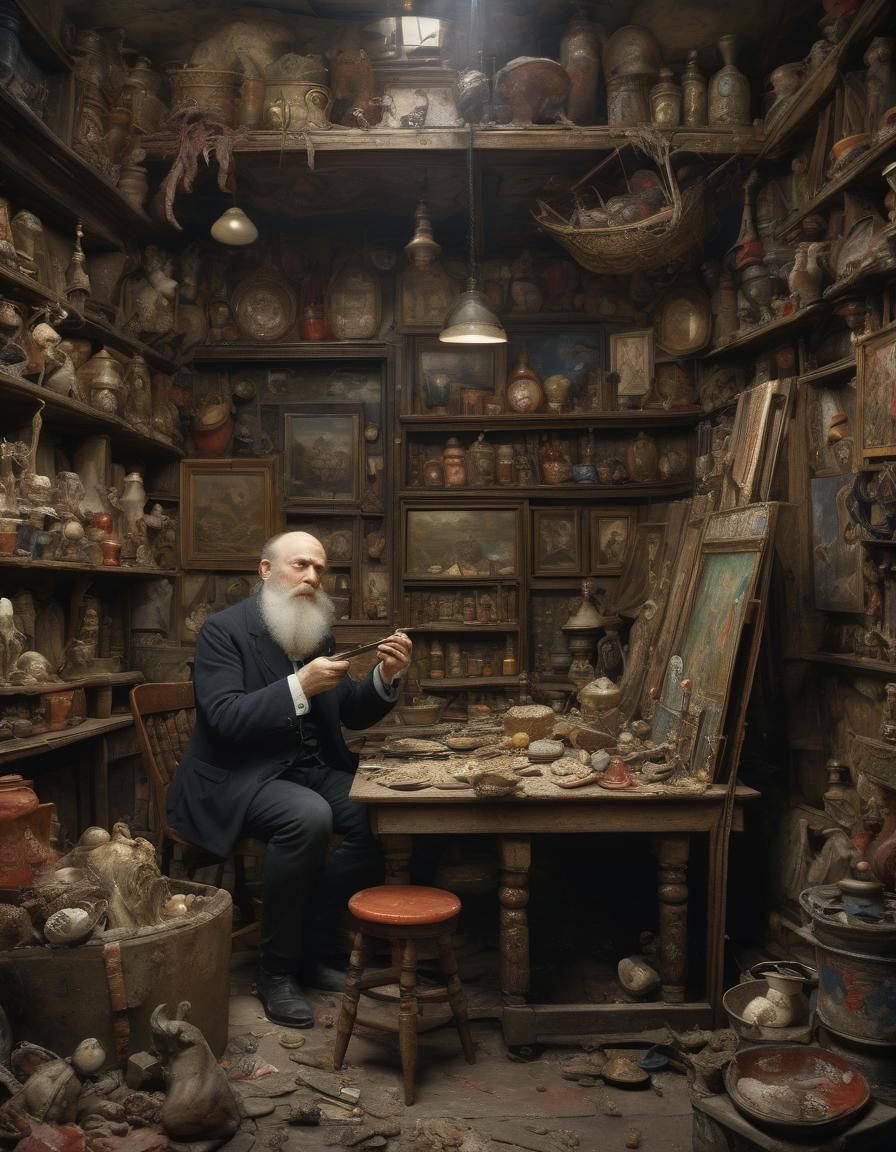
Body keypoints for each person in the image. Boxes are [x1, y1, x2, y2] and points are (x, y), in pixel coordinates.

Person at [166, 530, 412, 1029]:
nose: (312, 577)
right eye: (300, 565)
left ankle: (313, 949)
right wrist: (298, 685)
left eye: (320, 569)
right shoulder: (223, 631)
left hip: (307, 770)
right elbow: (225, 718)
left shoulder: (314, 630)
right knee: (308, 817)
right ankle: (275, 972)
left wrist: (385, 678)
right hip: (240, 776)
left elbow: (346, 713)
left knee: (378, 813)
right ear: (265, 571)